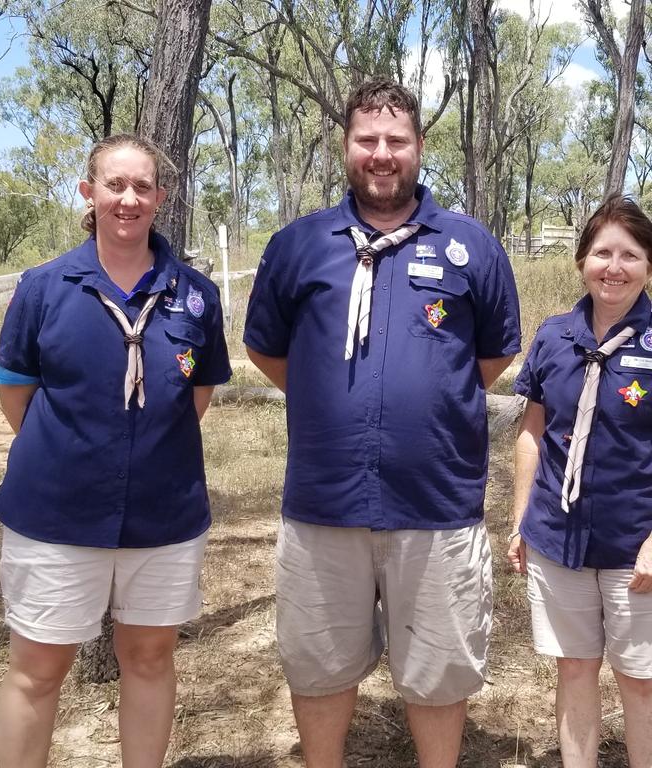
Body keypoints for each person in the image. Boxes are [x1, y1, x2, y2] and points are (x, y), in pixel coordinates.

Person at [243, 79, 521, 768]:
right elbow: (266, 350)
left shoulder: (470, 246)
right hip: (323, 502)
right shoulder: (298, 246)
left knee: (437, 673)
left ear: (419, 148)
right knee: (318, 666)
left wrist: (425, 404)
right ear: (346, 147)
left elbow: (492, 355)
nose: (382, 153)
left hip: (435, 502)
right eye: (367, 140)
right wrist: (328, 398)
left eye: (396, 140)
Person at [0, 133, 232, 768]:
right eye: (115, 185)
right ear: (88, 192)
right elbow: (16, 388)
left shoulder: (197, 294)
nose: (128, 199)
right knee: (38, 669)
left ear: (161, 197)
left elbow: (196, 393)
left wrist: (139, 453)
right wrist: (76, 454)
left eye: (142, 187)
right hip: (55, 513)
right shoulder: (44, 288)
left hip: (164, 515)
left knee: (149, 660)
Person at [508, 195, 652, 768]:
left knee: (640, 681)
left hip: (633, 545)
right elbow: (531, 434)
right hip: (558, 535)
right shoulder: (553, 337)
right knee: (574, 669)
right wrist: (521, 520)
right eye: (601, 253)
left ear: (648, 265)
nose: (613, 267)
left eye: (630, 255)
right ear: (581, 262)